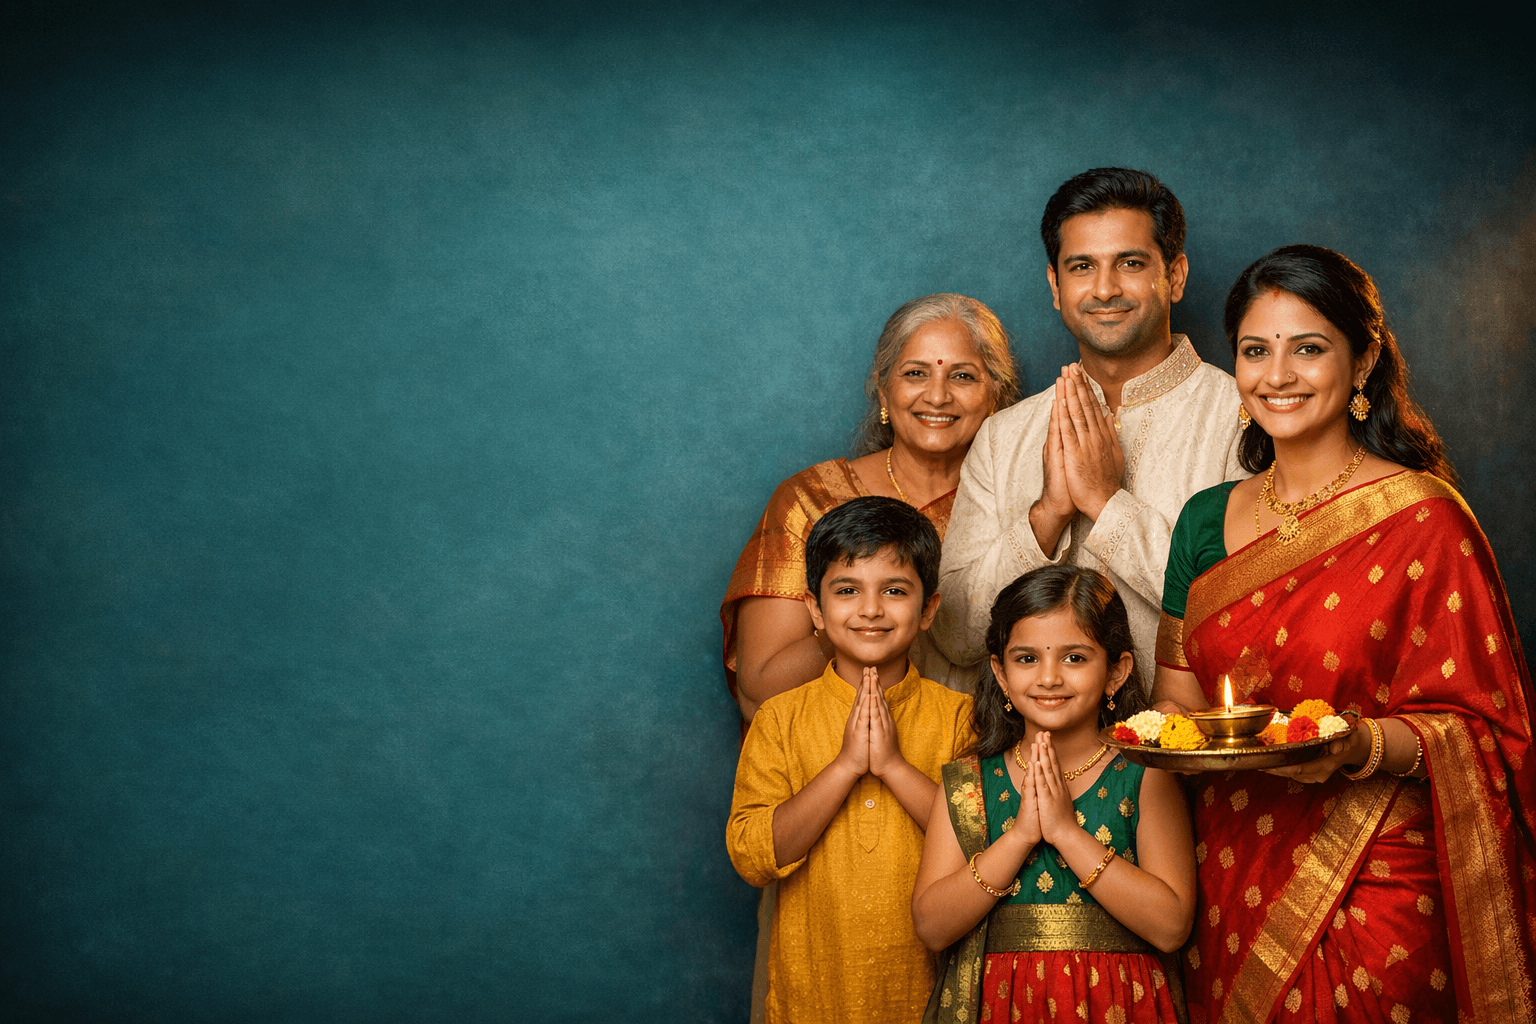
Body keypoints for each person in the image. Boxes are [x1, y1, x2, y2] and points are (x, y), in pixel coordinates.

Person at [1151, 245, 1535, 1024]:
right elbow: (1174, 712)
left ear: (1362, 363)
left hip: (1379, 879)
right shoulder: (1203, 519)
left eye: (1309, 348)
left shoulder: (1423, 518)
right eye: (1256, 351)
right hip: (1231, 871)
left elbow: (1487, 733)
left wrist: (1357, 746)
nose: (1278, 374)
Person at [933, 168, 1246, 684]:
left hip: (1182, 752)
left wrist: (1106, 505)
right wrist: (1047, 516)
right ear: (1055, 285)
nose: (1104, 289)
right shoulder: (1003, 436)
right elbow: (955, 633)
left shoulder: (1243, 415)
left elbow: (1246, 619)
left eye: (1129, 263)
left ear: (1175, 276)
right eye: (1082, 266)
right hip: (1026, 760)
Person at [726, 496, 975, 1024]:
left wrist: (892, 767)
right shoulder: (780, 718)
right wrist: (843, 768)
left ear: (929, 608)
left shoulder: (958, 717)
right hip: (811, 994)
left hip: (929, 996)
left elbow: (983, 842)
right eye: (846, 591)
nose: (870, 610)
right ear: (815, 609)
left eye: (894, 591)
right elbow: (751, 855)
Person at [913, 565, 1196, 1023]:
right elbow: (931, 927)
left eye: (1074, 658)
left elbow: (1171, 927)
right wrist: (1020, 837)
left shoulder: (1146, 772)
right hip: (1001, 1005)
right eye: (1026, 659)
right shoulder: (969, 783)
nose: (1048, 678)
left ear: (1116, 671)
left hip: (1122, 1005)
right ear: (1000, 673)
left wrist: (1066, 833)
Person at [723, 293, 1021, 721]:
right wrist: (856, 621)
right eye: (915, 373)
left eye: (963, 376)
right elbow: (760, 693)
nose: (937, 396)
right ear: (884, 391)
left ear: (995, 396)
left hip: (985, 759)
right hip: (831, 763)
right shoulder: (810, 500)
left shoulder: (1024, 510)